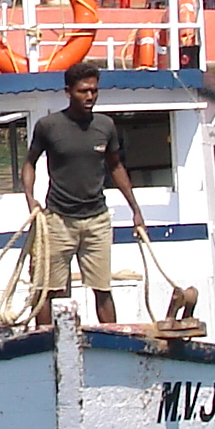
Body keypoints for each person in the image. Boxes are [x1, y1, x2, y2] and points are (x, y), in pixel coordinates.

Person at [27, 60, 141, 326]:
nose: (90, 96)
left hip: (97, 220)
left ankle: (113, 342)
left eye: (94, 90)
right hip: (58, 220)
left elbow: (115, 166)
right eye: (83, 91)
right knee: (50, 290)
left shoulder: (105, 126)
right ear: (68, 92)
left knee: (103, 289)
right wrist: (30, 198)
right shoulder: (49, 126)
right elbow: (30, 162)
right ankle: (44, 343)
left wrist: (136, 210)